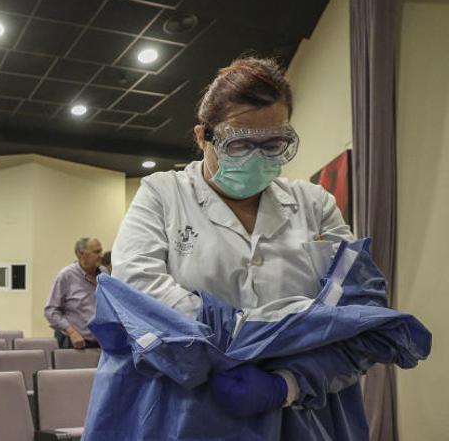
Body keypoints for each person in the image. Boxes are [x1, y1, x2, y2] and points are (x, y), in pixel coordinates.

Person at [107, 57, 372, 436]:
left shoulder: (315, 204)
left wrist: (288, 383)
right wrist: (279, 331)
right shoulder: (162, 195)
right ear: (203, 137)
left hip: (303, 410)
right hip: (192, 410)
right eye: (239, 143)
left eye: (274, 143)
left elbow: (359, 313)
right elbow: (140, 296)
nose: (257, 156)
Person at [44, 237, 104, 349]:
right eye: (96, 252)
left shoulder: (104, 274)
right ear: (81, 254)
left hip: (102, 343)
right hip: (76, 342)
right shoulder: (66, 276)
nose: (101, 255)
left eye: (101, 251)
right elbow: (51, 311)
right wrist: (71, 332)